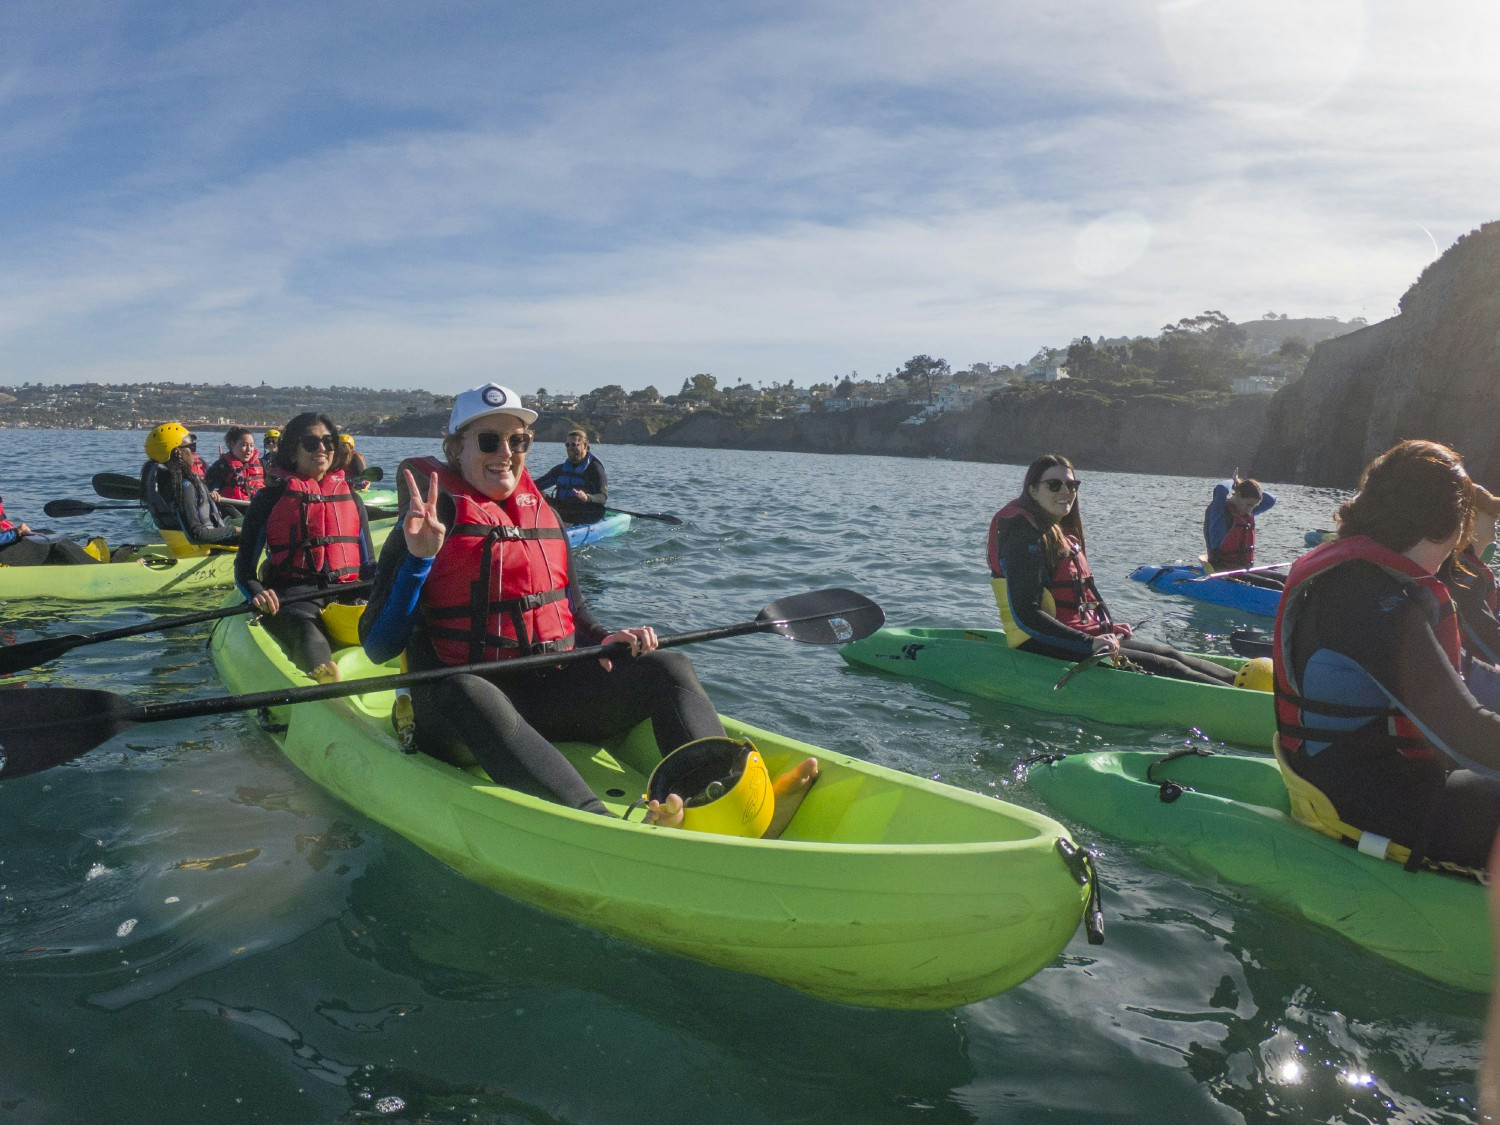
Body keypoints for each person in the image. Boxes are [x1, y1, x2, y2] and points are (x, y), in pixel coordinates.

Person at [361, 383, 815, 831]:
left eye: (518, 440)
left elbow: (574, 611)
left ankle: (721, 797)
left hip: (545, 694)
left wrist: (605, 638)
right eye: (488, 440)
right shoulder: (427, 518)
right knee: (468, 691)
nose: (506, 452)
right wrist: (419, 558)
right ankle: (598, 824)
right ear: (456, 448)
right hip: (459, 713)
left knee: (667, 665)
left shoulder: (543, 513)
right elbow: (378, 646)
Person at [1273, 439, 1500, 872]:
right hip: (1369, 799)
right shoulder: (1372, 599)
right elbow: (1464, 732)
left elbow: (1460, 677)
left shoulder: (1370, 581)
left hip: (1383, 777)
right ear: (1444, 523)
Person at [988, 454, 1238, 686]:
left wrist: (1106, 629)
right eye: (1054, 485)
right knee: (1173, 668)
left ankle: (1255, 687)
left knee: (1171, 654)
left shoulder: (1059, 533)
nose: (1065, 491)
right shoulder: (1023, 537)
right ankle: (1255, 708)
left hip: (1079, 636)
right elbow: (1026, 614)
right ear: (1032, 490)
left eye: (1072, 485)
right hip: (1038, 641)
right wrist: (1090, 643)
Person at [236, 413, 376, 683]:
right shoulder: (268, 499)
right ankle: (323, 681)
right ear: (293, 450)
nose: (322, 448)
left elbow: (368, 565)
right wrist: (257, 592)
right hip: (294, 598)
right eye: (311, 443)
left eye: (327, 442)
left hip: (346, 596)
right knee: (308, 634)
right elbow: (244, 570)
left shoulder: (353, 500)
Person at [140, 423, 240, 556]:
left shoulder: (161, 480)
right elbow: (196, 534)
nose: (194, 452)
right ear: (177, 452)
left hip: (183, 548)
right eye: (191, 447)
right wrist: (235, 530)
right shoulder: (185, 486)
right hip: (207, 548)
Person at [1203, 472, 1281, 585]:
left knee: (1289, 580)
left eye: (1254, 506)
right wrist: (1233, 481)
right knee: (1276, 585)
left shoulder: (1245, 511)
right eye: (1249, 505)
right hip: (1223, 572)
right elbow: (1220, 489)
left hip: (1244, 571)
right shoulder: (1220, 512)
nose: (1251, 510)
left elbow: (1271, 500)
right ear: (1237, 495)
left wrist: (1247, 488)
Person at [0, 485, 103, 565]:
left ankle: (88, 562)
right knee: (55, 543)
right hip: (4, 555)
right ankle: (100, 570)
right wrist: (16, 532)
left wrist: (17, 533)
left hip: (6, 546)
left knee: (47, 533)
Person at [532, 429, 608, 524]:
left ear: (585, 446)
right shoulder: (561, 469)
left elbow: (603, 497)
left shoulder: (594, 469)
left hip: (584, 512)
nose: (570, 448)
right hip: (563, 509)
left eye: (574, 445)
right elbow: (536, 485)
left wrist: (587, 497)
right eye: (567, 445)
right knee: (536, 493)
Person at [204, 427, 267, 503]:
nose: (249, 450)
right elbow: (208, 486)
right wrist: (213, 492)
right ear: (232, 445)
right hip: (232, 505)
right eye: (244, 445)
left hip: (258, 505)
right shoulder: (221, 465)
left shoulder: (263, 464)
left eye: (251, 445)